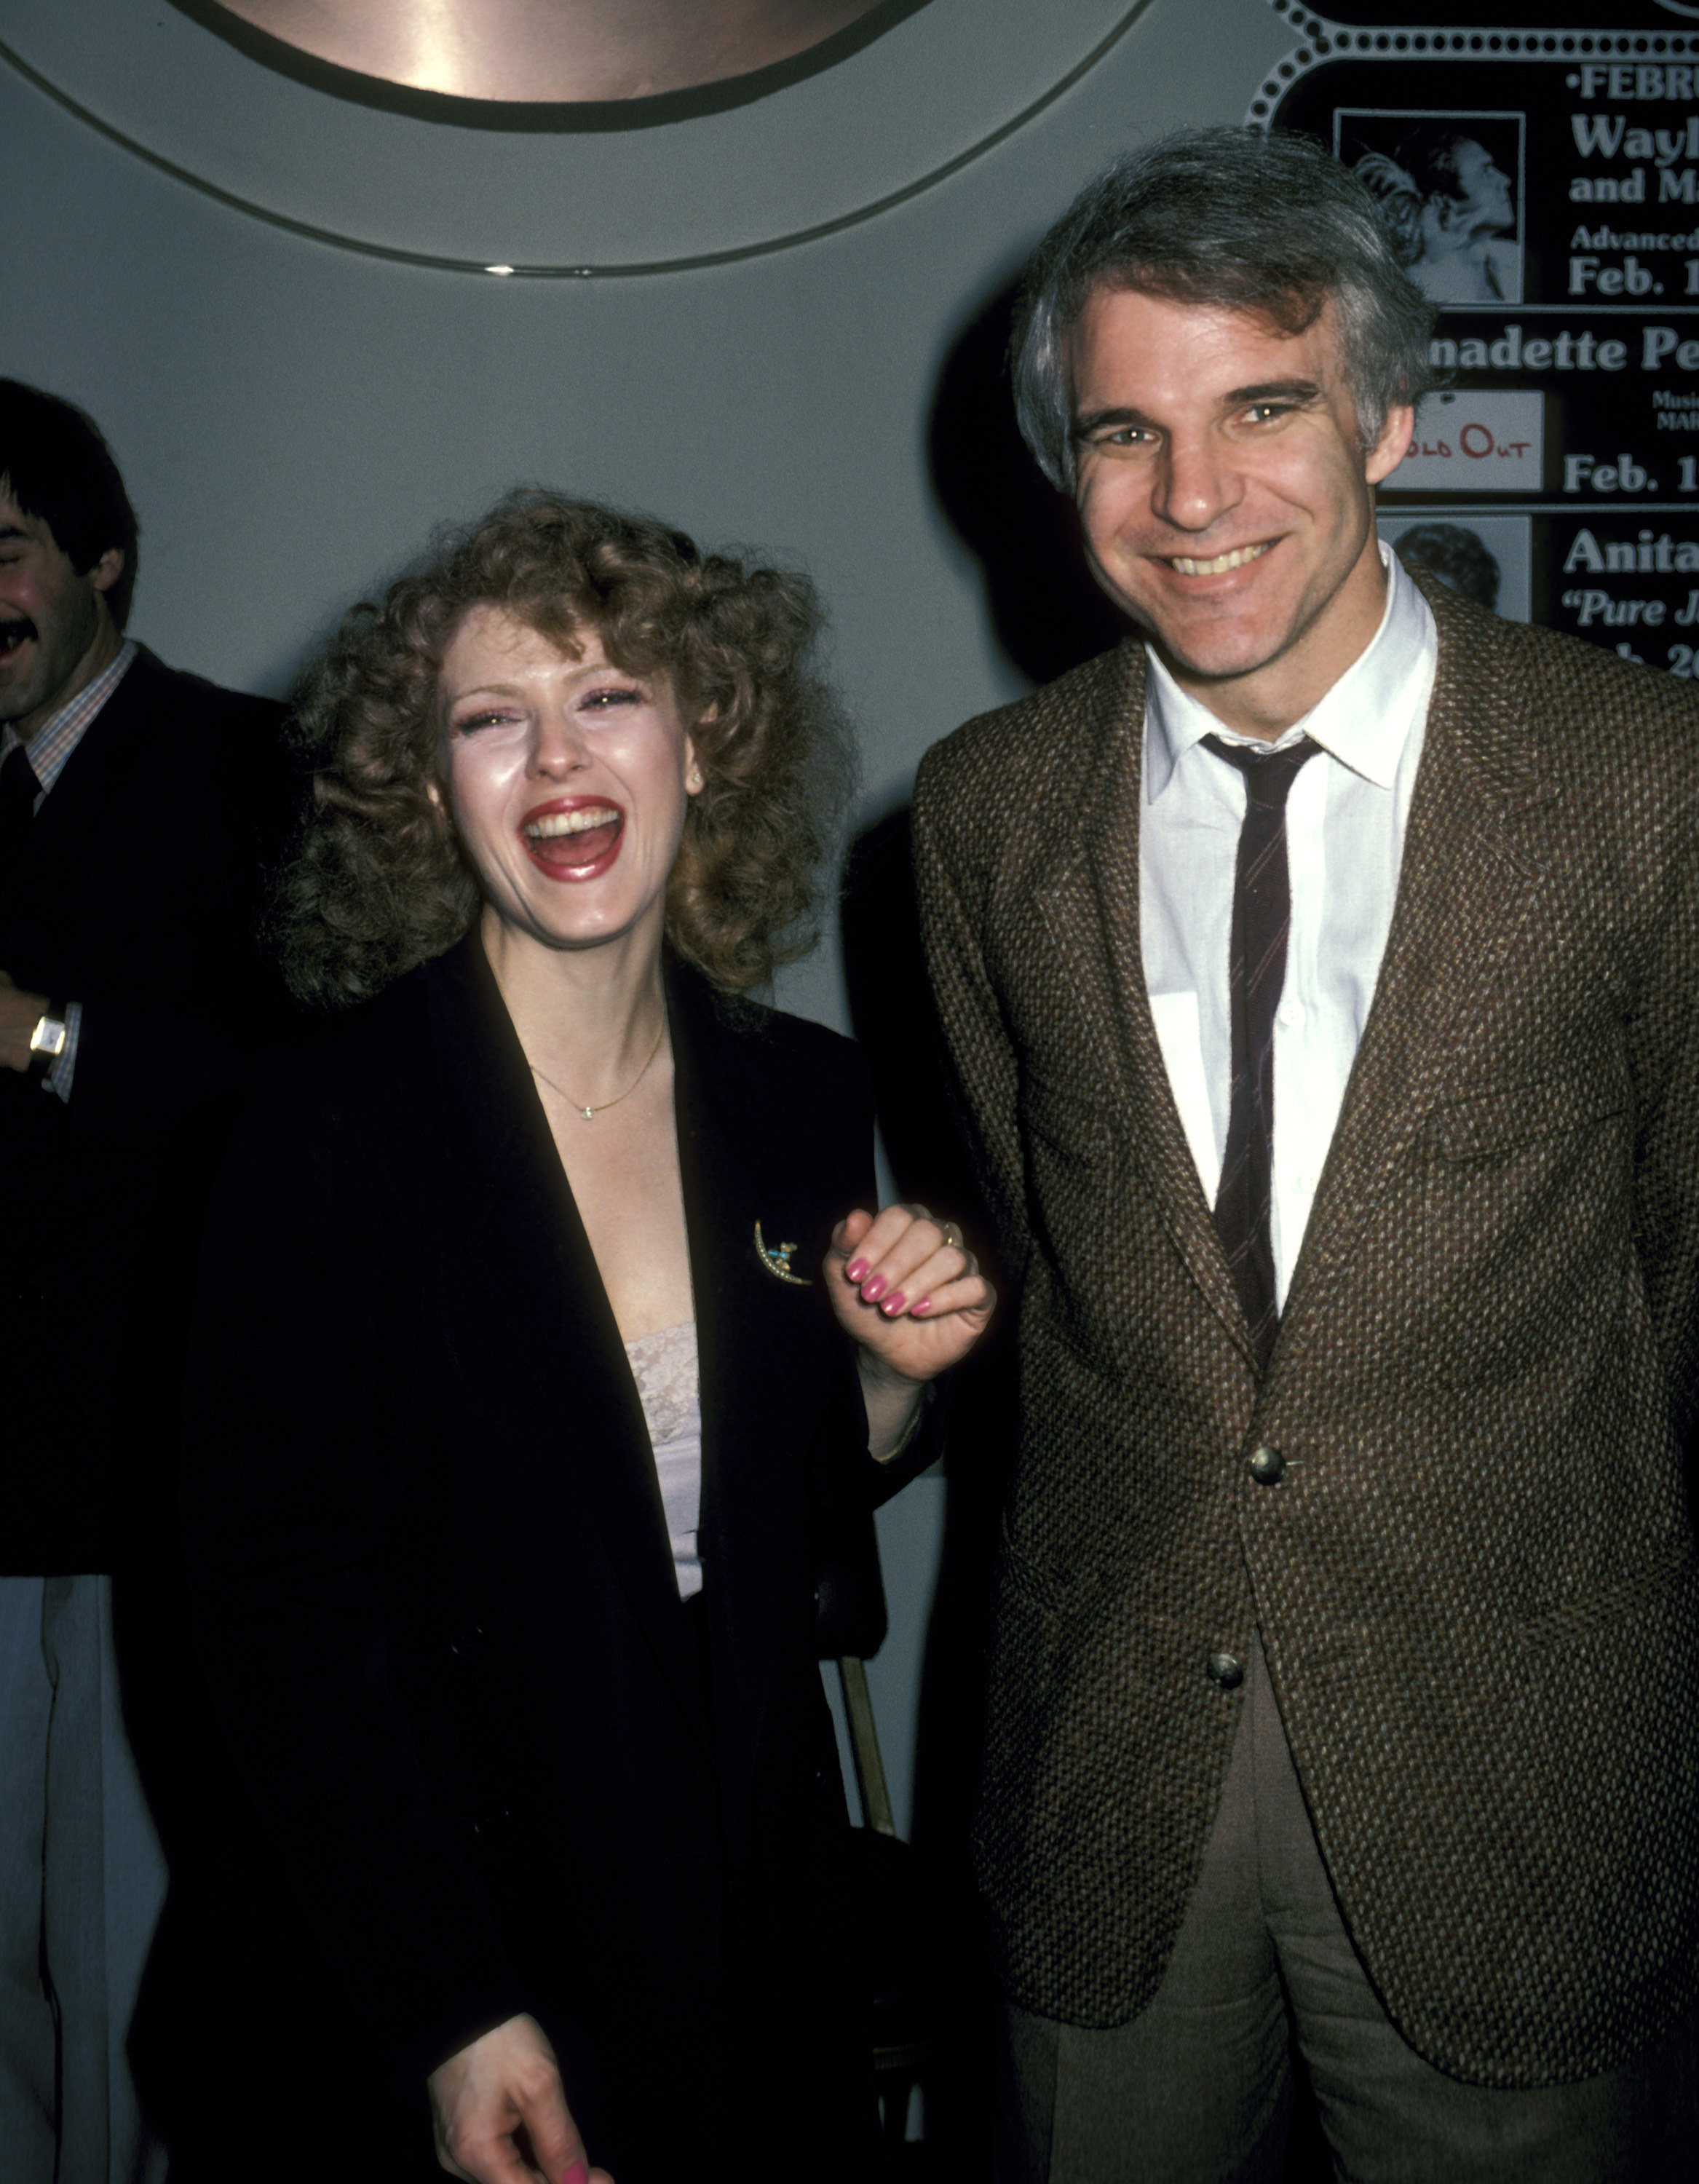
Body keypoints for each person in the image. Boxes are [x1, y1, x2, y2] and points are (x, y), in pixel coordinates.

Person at [911, 127, 1699, 2182]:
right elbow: (1043, 1261)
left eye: (1258, 407)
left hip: (1505, 1786)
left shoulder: (1640, 788)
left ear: (1384, 421)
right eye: (1121, 433)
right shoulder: (981, 813)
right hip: (1110, 1788)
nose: (1189, 498)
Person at [170, 489, 992, 2183]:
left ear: (702, 744)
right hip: (422, 1936)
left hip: (732, 1920)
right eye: (492, 717)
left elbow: (762, 1527)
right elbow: (274, 1624)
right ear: (424, 787)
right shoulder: (324, 1121)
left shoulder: (796, 1092)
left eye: (608, 694)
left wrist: (883, 1383)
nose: (555, 755)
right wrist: (449, 2012)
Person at [0, 379, 285, 2183]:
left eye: (3, 552)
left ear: (106, 560)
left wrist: (34, 1034)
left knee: (126, 1995)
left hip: (147, 1479)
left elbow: (294, 1100)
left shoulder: (263, 763)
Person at [1355, 124, 1521, 304]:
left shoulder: (1513, 258)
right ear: (1442, 202)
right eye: (1485, 172)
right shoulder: (1418, 284)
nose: (1505, 180)